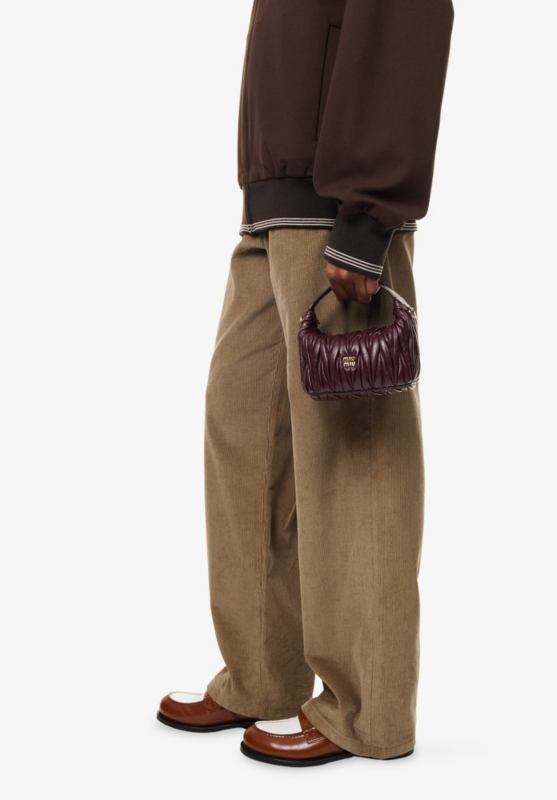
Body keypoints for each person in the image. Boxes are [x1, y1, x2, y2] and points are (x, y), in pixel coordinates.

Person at [157, 0, 454, 767]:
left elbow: (404, 22)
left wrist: (367, 217)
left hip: (339, 207)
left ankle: (369, 709)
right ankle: (263, 672)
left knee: (354, 449)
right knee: (241, 428)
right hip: (275, 199)